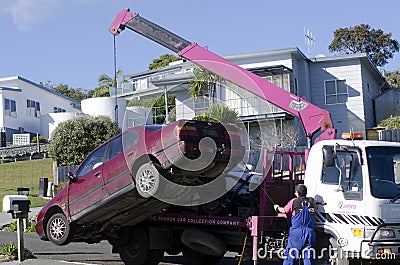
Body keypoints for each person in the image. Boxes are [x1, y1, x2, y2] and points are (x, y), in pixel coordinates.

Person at [274, 184, 316, 265]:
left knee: (291, 255)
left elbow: (284, 210)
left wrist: (277, 207)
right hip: (310, 232)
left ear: (297, 193)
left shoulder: (294, 201)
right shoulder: (312, 201)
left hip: (297, 232)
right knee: (308, 257)